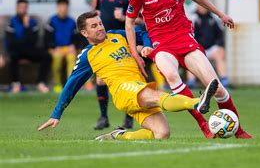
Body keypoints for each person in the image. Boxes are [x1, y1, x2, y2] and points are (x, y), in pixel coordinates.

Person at [125, 0, 252, 139]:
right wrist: (135, 53)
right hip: (162, 45)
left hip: (184, 39)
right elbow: (129, 22)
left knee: (217, 87)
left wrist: (220, 14)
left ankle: (239, 130)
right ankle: (204, 126)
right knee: (171, 74)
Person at [37, 11, 218, 140]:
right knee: (156, 96)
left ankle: (120, 135)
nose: (100, 28)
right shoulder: (88, 55)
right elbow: (71, 84)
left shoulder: (117, 35)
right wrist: (56, 113)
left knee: (162, 134)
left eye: (100, 23)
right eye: (94, 26)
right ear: (84, 33)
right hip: (124, 91)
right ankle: (197, 101)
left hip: (139, 87)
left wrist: (147, 46)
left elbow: (142, 33)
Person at [92, 0, 134, 130]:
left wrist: (124, 17)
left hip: (125, 42)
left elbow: (142, 19)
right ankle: (103, 117)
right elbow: (96, 12)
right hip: (105, 42)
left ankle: (129, 117)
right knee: (101, 80)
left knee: (128, 81)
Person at [5, 0, 51, 93]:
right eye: (21, 7)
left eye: (25, 7)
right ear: (17, 8)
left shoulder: (32, 22)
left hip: (29, 50)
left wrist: (26, 26)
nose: (23, 9)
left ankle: (40, 83)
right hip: (17, 51)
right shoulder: (11, 22)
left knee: (47, 56)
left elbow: (33, 41)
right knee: (13, 55)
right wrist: (23, 43)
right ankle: (16, 84)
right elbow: (11, 41)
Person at [187, 4, 229, 88]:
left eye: (204, 6)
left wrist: (219, 45)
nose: (202, 7)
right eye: (200, 6)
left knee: (219, 52)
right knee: (189, 55)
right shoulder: (193, 17)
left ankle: (224, 79)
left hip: (210, 48)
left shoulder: (213, 18)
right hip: (197, 48)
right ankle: (191, 81)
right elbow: (189, 35)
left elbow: (220, 35)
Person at [44, 0, 79, 94]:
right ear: (57, 7)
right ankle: (57, 84)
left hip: (68, 49)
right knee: (57, 58)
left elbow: (77, 38)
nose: (63, 9)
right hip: (56, 49)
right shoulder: (51, 21)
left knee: (72, 58)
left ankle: (70, 85)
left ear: (67, 8)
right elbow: (47, 38)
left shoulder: (72, 21)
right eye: (61, 7)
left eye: (65, 7)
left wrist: (73, 46)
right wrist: (53, 48)